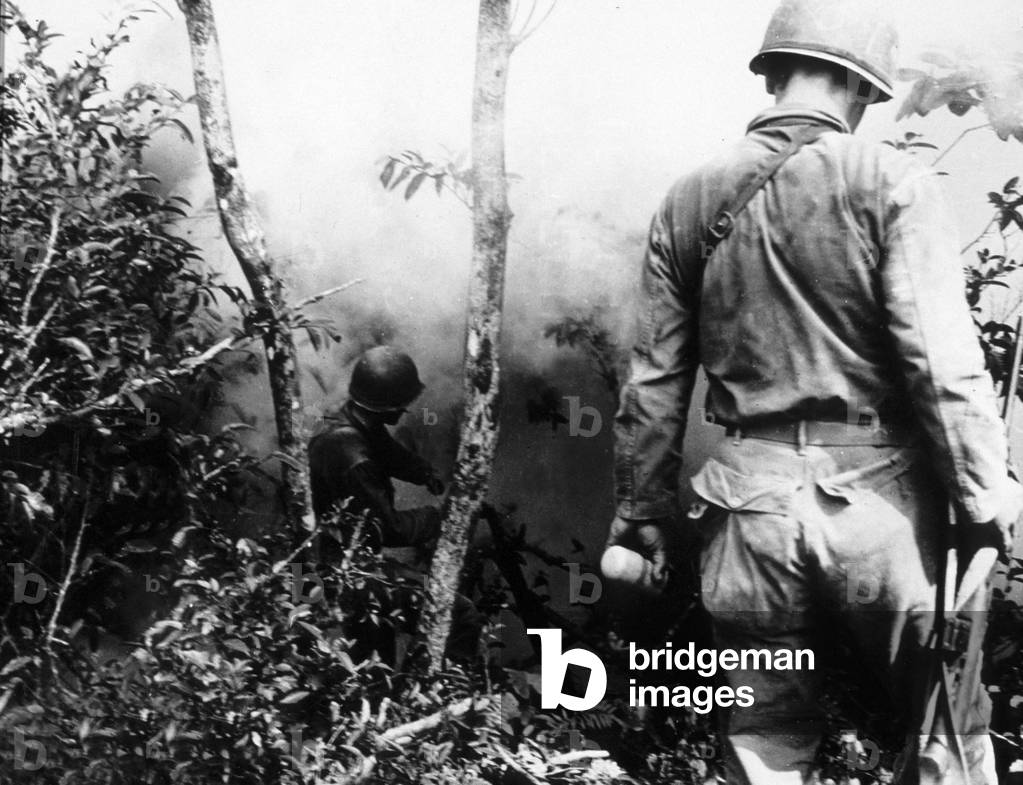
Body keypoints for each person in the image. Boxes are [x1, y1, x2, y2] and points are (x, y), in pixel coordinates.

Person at [606, 1, 1023, 782]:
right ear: (861, 85)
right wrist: (982, 493)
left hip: (746, 510)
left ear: (772, 73)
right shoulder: (892, 181)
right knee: (945, 730)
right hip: (876, 505)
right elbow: (938, 364)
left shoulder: (687, 197)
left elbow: (653, 383)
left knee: (762, 739)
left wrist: (642, 509)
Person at [308, 346, 444, 550]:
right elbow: (388, 530)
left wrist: (424, 472)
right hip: (333, 555)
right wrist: (438, 518)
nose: (405, 410)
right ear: (390, 408)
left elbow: (386, 451)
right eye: (402, 405)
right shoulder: (355, 460)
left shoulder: (353, 416)